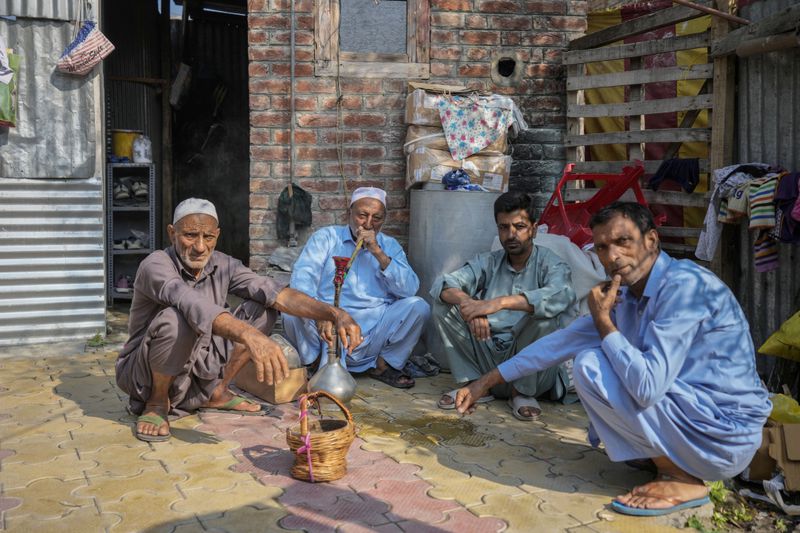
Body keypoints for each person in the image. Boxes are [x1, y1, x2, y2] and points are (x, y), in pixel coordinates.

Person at [454, 201, 771, 516]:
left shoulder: (684, 286)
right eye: (603, 247)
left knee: (592, 364)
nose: (613, 257)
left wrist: (604, 322)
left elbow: (647, 387)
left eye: (623, 242)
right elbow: (556, 344)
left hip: (724, 436)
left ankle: (680, 478)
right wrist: (485, 382)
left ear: (651, 241)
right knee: (590, 357)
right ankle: (664, 458)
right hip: (694, 421)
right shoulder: (625, 293)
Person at [115, 198, 361, 442]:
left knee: (264, 309)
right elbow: (190, 302)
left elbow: (275, 293)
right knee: (176, 318)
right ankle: (157, 403)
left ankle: (217, 391)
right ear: (172, 233)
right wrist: (249, 335)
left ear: (217, 236)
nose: (200, 247)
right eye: (190, 235)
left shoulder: (223, 264)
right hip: (144, 375)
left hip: (197, 367)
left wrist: (333, 313)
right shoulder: (156, 264)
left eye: (208, 237)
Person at [430, 191, 577, 420]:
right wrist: (471, 305)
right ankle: (475, 385)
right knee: (444, 306)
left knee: (545, 317)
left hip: (532, 370)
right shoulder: (489, 261)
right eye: (504, 227)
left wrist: (496, 304)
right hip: (488, 353)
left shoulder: (551, 263)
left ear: (534, 229)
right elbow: (443, 284)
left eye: (519, 226)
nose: (511, 234)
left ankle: (522, 394)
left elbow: (560, 296)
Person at [283, 187, 430, 388]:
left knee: (419, 306)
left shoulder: (390, 246)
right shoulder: (326, 238)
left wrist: (378, 252)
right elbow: (302, 282)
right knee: (290, 310)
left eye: (376, 218)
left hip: (373, 332)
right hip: (327, 328)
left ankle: (383, 364)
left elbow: (409, 289)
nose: (368, 224)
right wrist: (321, 315)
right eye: (362, 215)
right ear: (349, 213)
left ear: (384, 220)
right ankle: (314, 362)